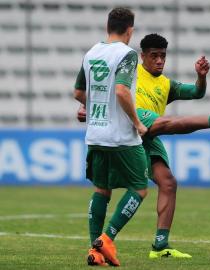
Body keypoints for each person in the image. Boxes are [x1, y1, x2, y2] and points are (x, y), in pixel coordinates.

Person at [77, 33, 210, 258]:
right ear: (143, 56)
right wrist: (90, 108)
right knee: (167, 124)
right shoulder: (130, 71)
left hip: (148, 137)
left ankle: (160, 245)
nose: (160, 61)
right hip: (133, 126)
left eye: (163, 56)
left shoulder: (165, 84)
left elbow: (196, 92)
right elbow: (107, 90)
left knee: (168, 183)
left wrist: (201, 77)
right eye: (154, 56)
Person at [73, 7, 149, 266]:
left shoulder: (91, 53)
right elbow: (121, 91)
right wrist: (137, 123)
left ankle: (94, 250)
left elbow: (78, 92)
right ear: (130, 30)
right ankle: (107, 238)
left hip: (95, 134)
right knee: (139, 188)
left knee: (101, 190)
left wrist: (91, 107)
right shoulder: (127, 54)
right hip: (121, 137)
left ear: (108, 27)